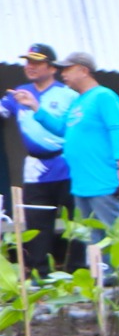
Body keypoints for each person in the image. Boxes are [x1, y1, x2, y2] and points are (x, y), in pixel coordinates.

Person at [3, 43, 73, 273]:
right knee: (37, 223)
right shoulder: (19, 93)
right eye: (27, 62)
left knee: (78, 223)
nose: (30, 66)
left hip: (68, 164)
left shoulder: (68, 95)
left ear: (52, 68)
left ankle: (81, 271)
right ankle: (39, 274)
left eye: (37, 62)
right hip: (35, 168)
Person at [53, 53, 119, 241]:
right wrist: (34, 107)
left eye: (67, 69)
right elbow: (61, 128)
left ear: (84, 70)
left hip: (102, 180)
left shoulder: (104, 96)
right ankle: (103, 272)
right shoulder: (77, 102)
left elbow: (118, 130)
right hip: (82, 184)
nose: (62, 74)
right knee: (95, 239)